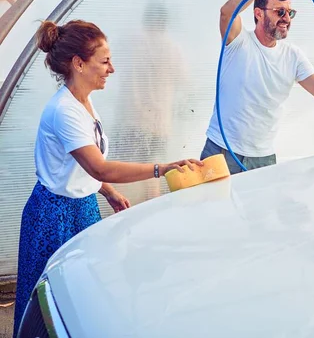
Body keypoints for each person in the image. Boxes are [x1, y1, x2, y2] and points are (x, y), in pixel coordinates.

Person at [13, 19, 203, 336]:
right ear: (79, 63)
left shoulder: (84, 102)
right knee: (52, 309)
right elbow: (98, 166)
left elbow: (82, 166)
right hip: (55, 215)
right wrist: (162, 168)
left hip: (81, 206)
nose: (111, 69)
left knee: (81, 296)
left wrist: (108, 192)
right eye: (104, 61)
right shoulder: (65, 111)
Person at [201, 0, 314, 173]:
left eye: (289, 13)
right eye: (279, 12)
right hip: (222, 151)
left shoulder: (293, 55)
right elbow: (227, 12)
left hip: (263, 158)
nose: (286, 19)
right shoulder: (238, 41)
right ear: (259, 13)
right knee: (213, 207)